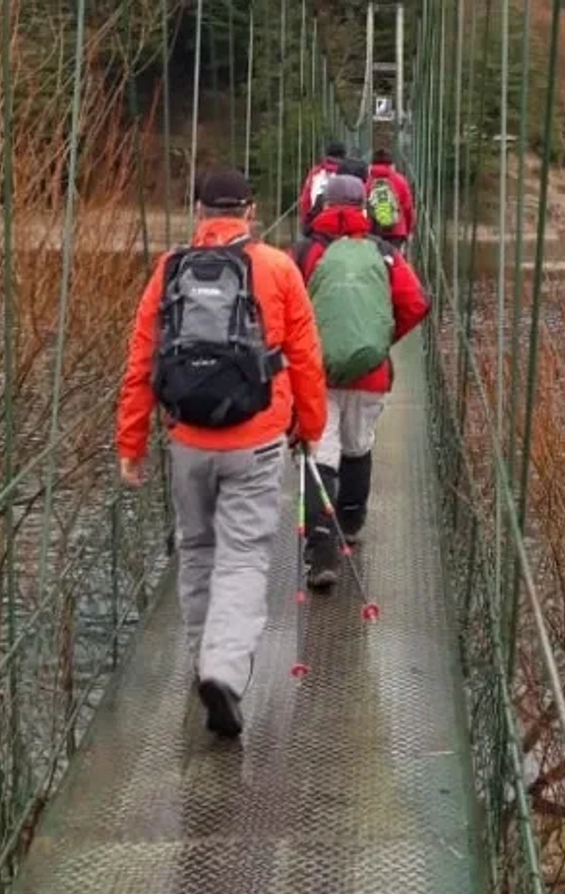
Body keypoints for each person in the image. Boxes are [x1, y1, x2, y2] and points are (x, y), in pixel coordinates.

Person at [117, 169, 327, 739]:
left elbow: (141, 365)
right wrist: (309, 427)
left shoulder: (169, 272)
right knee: (242, 558)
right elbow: (306, 361)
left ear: (199, 212)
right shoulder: (280, 269)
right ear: (251, 212)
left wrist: (130, 445)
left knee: (197, 551)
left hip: (187, 441)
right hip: (257, 440)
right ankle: (224, 671)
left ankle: (200, 662)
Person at [291, 175, 430, 590]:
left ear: (323, 203)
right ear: (364, 208)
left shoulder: (304, 252)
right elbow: (417, 303)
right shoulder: (384, 252)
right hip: (370, 374)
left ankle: (321, 552)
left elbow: (283, 310)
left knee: (320, 454)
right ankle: (350, 523)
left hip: (316, 373)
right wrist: (380, 341)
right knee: (358, 447)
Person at [366, 148, 415, 248]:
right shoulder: (400, 180)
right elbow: (407, 207)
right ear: (392, 165)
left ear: (372, 164)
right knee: (394, 261)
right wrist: (409, 230)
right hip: (396, 231)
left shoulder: (367, 181)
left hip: (373, 232)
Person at [297, 141, 347, 233]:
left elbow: (305, 200)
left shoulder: (315, 172)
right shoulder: (348, 173)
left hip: (317, 225)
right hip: (340, 226)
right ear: (344, 156)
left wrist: (306, 224)